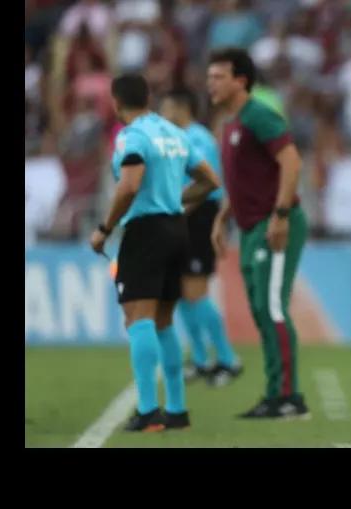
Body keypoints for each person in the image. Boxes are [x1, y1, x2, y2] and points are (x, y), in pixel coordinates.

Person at [89, 74, 222, 432]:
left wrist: (104, 229)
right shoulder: (174, 133)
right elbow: (210, 180)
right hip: (177, 229)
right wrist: (175, 199)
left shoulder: (131, 136)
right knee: (163, 321)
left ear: (116, 103)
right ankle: (177, 409)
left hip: (146, 231)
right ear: (147, 98)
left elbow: (130, 184)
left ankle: (148, 411)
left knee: (138, 318)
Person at [205, 48, 310, 420]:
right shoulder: (231, 124)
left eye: (218, 77)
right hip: (251, 227)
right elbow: (244, 181)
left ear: (241, 80)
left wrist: (280, 216)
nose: (210, 83)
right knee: (262, 311)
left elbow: (291, 162)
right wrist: (222, 218)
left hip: (274, 223)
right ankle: (274, 393)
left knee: (273, 307)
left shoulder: (259, 115)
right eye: (210, 76)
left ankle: (287, 397)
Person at [158, 88, 243, 387]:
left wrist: (176, 212)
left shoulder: (199, 139)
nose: (163, 113)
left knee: (196, 291)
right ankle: (201, 359)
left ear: (182, 107)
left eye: (167, 107)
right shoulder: (174, 138)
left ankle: (228, 358)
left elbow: (207, 185)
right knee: (181, 292)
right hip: (179, 215)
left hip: (198, 216)